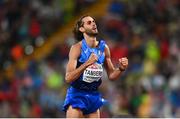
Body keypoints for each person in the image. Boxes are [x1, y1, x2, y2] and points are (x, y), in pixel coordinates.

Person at [62, 15, 128, 118]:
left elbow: (111, 76)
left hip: (93, 96)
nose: (93, 23)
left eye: (93, 21)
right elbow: (68, 77)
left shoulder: (104, 48)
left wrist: (120, 68)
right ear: (82, 29)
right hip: (77, 95)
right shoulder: (77, 48)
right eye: (89, 22)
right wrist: (87, 63)